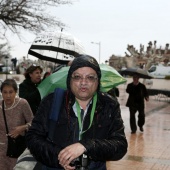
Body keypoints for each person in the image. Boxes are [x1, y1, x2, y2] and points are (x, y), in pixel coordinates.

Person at [26, 55, 128, 170]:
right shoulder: (52, 101)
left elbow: (120, 145)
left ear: (97, 80)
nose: (83, 82)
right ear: (70, 79)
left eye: (90, 77)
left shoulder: (109, 105)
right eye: (77, 77)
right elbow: (33, 138)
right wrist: (62, 157)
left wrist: (87, 146)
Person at [0, 79, 33, 170]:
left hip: (17, 149)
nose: (8, 96)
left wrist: (23, 127)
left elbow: (33, 122)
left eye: (11, 92)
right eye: (5, 92)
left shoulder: (22, 104)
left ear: (16, 92)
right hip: (1, 151)